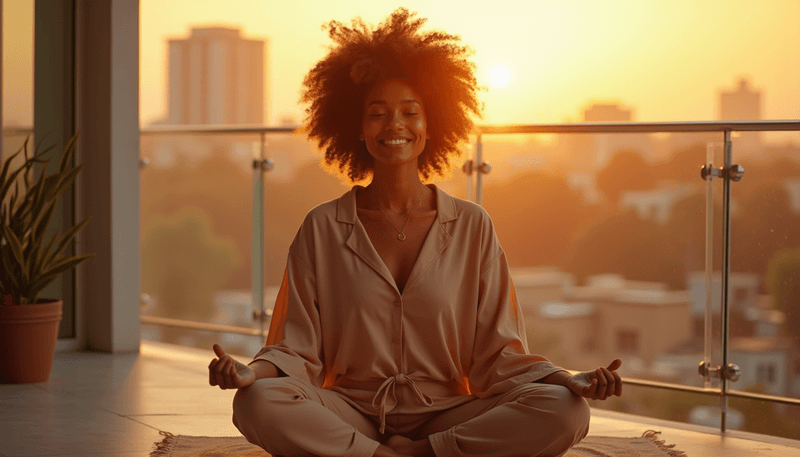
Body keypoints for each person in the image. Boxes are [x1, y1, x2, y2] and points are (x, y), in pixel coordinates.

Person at [208, 8, 622, 457]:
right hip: (350, 410)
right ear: (358, 129)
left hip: (449, 411)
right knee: (256, 403)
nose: (395, 126)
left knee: (566, 410)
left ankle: (416, 451)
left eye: (410, 112)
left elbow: (502, 353)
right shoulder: (322, 227)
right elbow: (295, 348)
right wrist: (250, 374)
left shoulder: (472, 226)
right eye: (378, 113)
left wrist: (569, 379)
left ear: (432, 126)